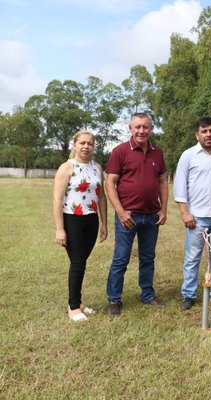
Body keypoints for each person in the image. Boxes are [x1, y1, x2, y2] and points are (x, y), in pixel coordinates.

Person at [105, 112, 168, 316]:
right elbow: (110, 183)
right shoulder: (120, 151)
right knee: (121, 258)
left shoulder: (157, 153)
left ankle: (147, 295)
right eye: (137, 127)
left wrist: (164, 209)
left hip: (151, 216)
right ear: (130, 129)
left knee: (148, 258)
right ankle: (114, 299)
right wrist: (121, 212)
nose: (142, 131)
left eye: (145, 127)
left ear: (151, 128)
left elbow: (162, 182)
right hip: (128, 216)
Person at [174, 117, 211, 310]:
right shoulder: (188, 155)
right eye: (204, 131)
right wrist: (185, 213)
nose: (208, 135)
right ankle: (188, 294)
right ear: (197, 134)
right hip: (196, 216)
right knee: (193, 256)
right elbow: (180, 186)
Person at [53, 131, 108, 321]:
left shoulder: (97, 168)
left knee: (81, 262)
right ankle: (74, 307)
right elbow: (57, 199)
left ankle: (77, 302)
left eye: (90, 144)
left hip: (91, 220)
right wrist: (60, 229)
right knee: (77, 263)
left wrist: (104, 223)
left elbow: (101, 197)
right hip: (72, 220)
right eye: (82, 143)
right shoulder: (67, 168)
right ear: (74, 145)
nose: (86, 147)